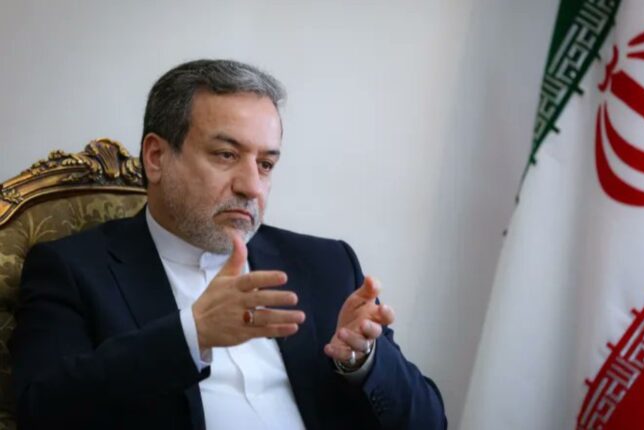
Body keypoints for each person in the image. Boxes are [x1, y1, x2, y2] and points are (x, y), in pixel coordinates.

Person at [10, 59, 446, 429]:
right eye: (226, 155)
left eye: (266, 164)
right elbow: (42, 411)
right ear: (156, 157)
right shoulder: (72, 269)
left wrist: (363, 362)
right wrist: (191, 335)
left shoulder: (327, 264)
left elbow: (430, 422)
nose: (251, 186)